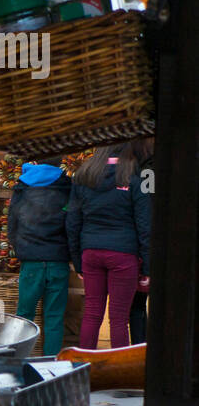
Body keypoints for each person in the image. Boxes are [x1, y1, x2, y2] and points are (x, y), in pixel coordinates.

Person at [67, 143, 152, 349]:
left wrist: (78, 262)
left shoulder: (83, 177)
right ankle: (116, 375)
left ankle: (84, 367)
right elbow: (145, 226)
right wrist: (147, 267)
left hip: (91, 253)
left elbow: (72, 222)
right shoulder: (135, 177)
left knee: (92, 313)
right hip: (124, 255)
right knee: (119, 318)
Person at [6, 158, 72, 355]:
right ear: (59, 162)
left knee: (24, 317)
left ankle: (18, 360)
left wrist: (20, 248)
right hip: (58, 260)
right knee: (54, 317)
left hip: (31, 261)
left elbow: (12, 222)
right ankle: (51, 364)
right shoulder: (66, 186)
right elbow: (72, 222)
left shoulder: (23, 186)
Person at [127, 137, 154, 344]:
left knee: (136, 304)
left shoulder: (139, 171)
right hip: (162, 240)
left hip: (142, 241)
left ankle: (139, 348)